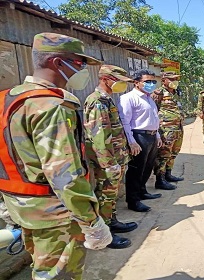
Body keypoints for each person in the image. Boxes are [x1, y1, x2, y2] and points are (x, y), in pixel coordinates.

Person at [0, 32, 112, 279]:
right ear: (57, 63)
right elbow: (65, 175)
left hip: (21, 206)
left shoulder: (8, 98)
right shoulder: (52, 106)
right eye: (80, 63)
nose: (84, 70)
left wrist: (5, 202)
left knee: (42, 268)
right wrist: (91, 221)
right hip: (55, 215)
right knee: (57, 274)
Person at [83, 65, 138, 249]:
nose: (123, 85)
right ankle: (105, 234)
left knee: (111, 196)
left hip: (116, 158)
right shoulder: (97, 101)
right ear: (106, 79)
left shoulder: (107, 99)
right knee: (105, 197)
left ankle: (112, 222)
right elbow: (99, 137)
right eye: (120, 82)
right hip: (108, 162)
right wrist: (108, 164)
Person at [118, 69, 163, 212]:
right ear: (136, 83)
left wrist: (157, 136)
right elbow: (125, 121)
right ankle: (133, 200)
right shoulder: (128, 98)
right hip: (139, 136)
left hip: (151, 136)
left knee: (147, 167)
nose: (151, 84)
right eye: (147, 81)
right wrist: (131, 141)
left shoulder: (149, 98)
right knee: (136, 170)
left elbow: (154, 119)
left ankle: (142, 191)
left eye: (153, 81)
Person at [150, 71, 185, 190]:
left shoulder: (176, 92)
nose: (175, 81)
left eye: (176, 79)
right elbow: (153, 111)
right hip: (166, 130)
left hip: (178, 128)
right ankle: (160, 179)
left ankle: (168, 174)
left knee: (174, 152)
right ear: (164, 80)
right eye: (172, 79)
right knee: (163, 155)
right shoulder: (158, 93)